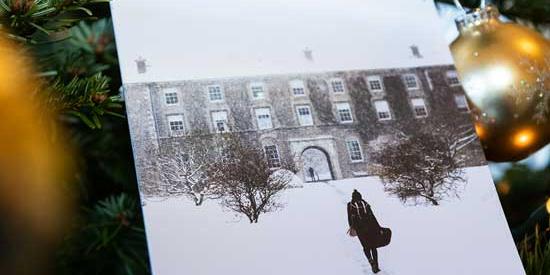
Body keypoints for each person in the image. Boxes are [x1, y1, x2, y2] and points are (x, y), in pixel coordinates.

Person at [347, 189, 382, 273]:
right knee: (373, 247)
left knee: (366, 247)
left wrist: (352, 227)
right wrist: (378, 227)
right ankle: (376, 265)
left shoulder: (350, 205)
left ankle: (371, 261)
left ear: (352, 197)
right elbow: (373, 216)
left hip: (360, 229)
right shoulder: (365, 204)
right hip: (371, 227)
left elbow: (349, 217)